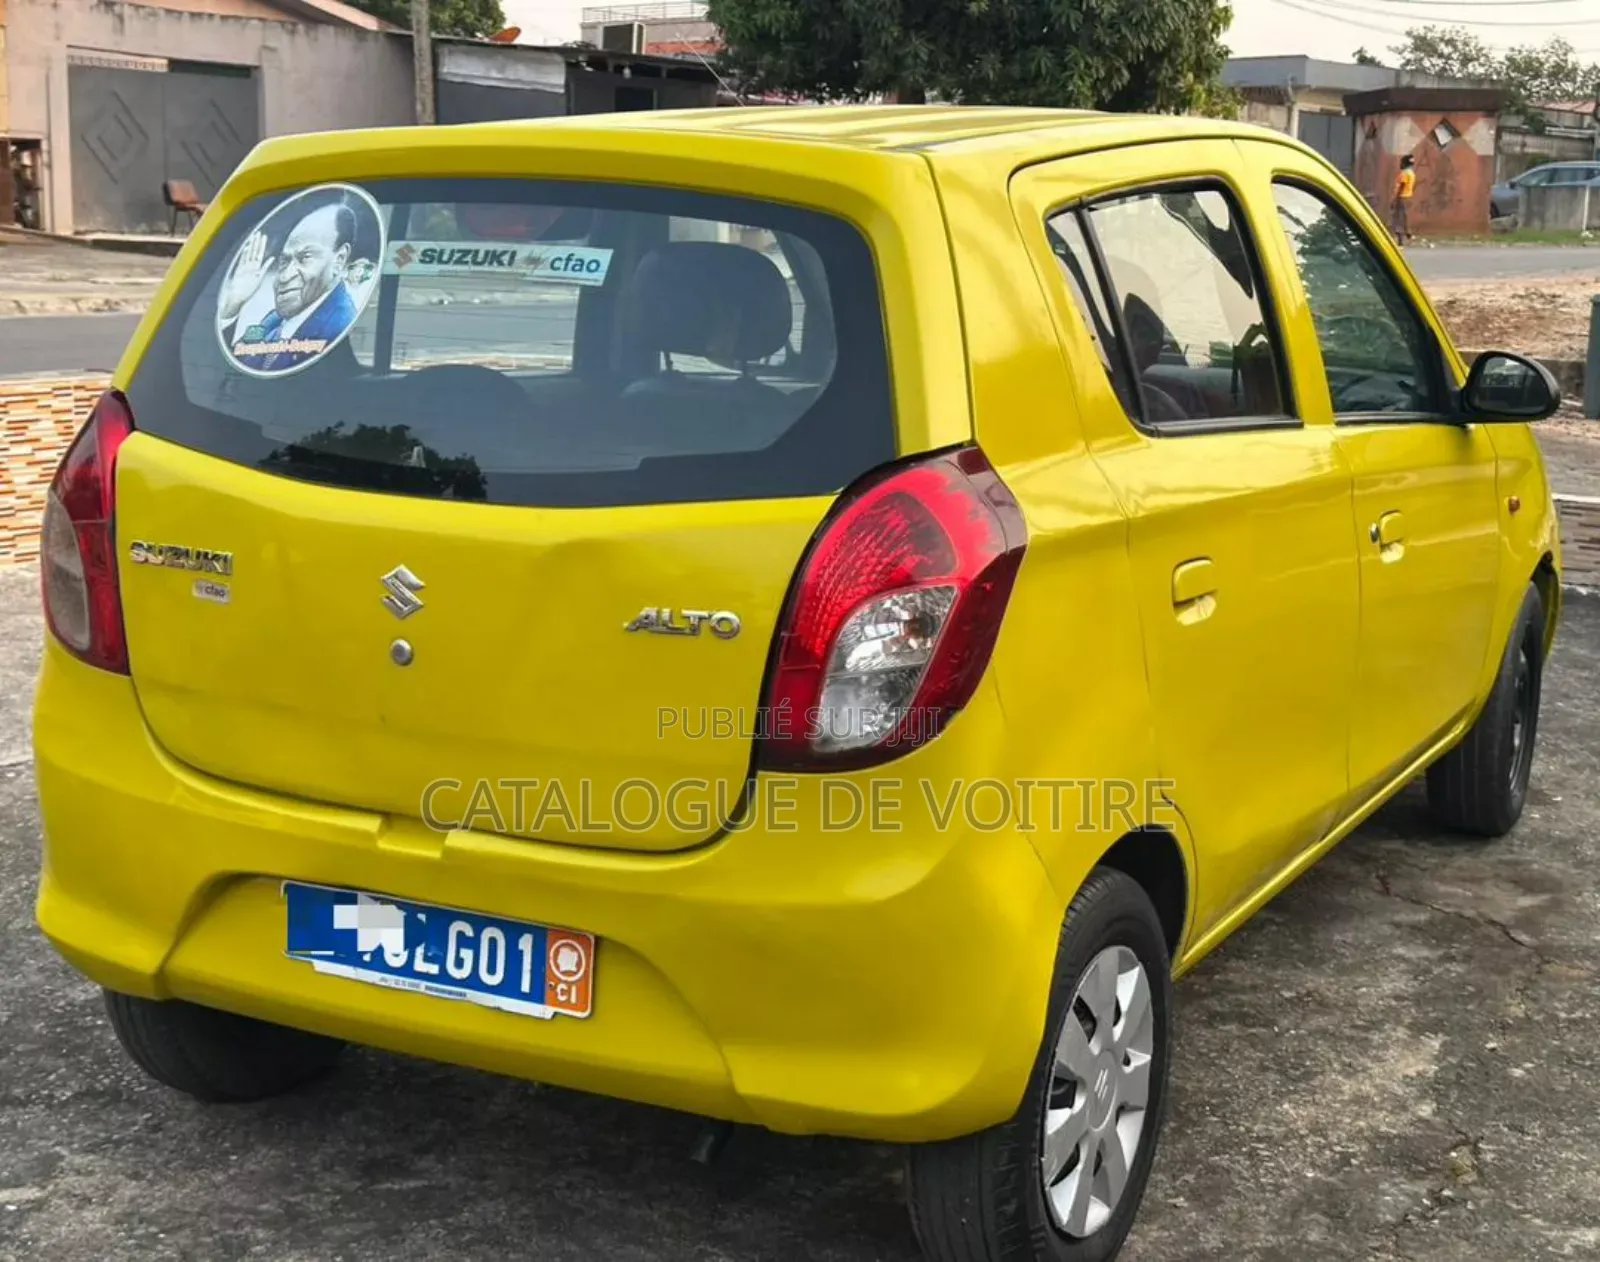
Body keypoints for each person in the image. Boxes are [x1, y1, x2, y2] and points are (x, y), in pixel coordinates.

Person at [219, 199, 361, 374]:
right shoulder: (275, 320)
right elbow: (229, 369)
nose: (285, 276)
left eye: (305, 257)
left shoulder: (340, 325)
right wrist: (232, 307)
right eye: (285, 261)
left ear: (339, 259)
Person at [1390, 155, 1417, 245]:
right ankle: (1408, 233)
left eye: (1401, 162)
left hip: (1402, 197)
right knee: (1405, 217)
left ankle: (1400, 240)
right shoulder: (1412, 173)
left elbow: (1401, 187)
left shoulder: (1404, 173)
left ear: (1404, 163)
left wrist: (1395, 200)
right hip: (1408, 196)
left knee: (1399, 219)